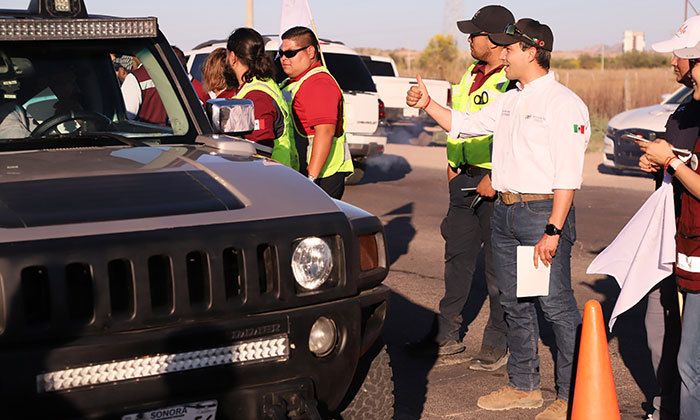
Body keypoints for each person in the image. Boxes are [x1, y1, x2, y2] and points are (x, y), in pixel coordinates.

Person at [407, 18, 589, 420]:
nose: (503, 54)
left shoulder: (563, 103)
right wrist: (428, 105)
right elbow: (465, 125)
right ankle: (524, 387)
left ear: (531, 52)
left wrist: (554, 230)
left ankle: (571, 394)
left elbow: (568, 175)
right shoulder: (509, 98)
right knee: (515, 303)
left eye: (510, 48)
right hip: (506, 212)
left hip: (540, 214)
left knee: (555, 306)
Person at [407, 5, 514, 368]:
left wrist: (494, 177)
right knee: (457, 261)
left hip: (497, 184)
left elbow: (515, 138)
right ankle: (446, 335)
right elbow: (460, 128)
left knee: (498, 269)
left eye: (476, 33)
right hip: (464, 180)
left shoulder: (514, 79)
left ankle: (498, 340)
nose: (469, 38)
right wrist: (453, 173)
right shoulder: (471, 73)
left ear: (497, 39)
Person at [634, 17, 700, 420]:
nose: (673, 62)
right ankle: (666, 407)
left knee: (692, 363)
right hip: (679, 240)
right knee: (679, 350)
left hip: (692, 243)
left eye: (681, 55)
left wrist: (671, 161)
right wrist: (659, 163)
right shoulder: (685, 107)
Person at [279, 26, 353, 199]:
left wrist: (310, 179)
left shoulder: (318, 83)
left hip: (322, 177)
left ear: (311, 52)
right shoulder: (294, 82)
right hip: (305, 173)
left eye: (290, 53)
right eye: (281, 53)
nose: (283, 58)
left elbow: (325, 132)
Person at [226, 27, 298, 170]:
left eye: (226, 55)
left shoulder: (256, 97)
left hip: (269, 177)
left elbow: (260, 148)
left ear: (233, 57)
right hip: (276, 174)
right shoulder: (260, 84)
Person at [120, 56, 168, 125]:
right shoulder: (171, 74)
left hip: (145, 133)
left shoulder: (135, 77)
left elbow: (127, 116)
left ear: (134, 57)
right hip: (174, 132)